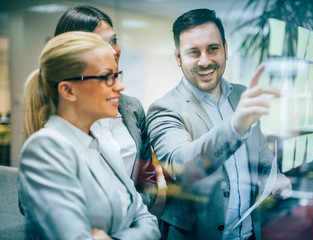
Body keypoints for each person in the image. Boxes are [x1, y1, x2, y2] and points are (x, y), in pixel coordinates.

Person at [146, 8, 292, 240]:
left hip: (249, 233)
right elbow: (182, 166)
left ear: (225, 49)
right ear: (178, 58)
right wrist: (235, 126)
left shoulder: (242, 95)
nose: (205, 61)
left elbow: (261, 155)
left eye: (213, 49)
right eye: (193, 52)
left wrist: (274, 176)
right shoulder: (164, 108)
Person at [18, 31, 160, 239]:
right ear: (68, 91)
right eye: (106, 77)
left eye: (117, 76)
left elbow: (149, 223)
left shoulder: (101, 146)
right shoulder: (44, 149)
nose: (120, 86)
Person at [54, 5, 158, 209]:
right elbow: (33, 202)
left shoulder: (132, 108)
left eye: (114, 40)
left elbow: (148, 181)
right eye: (99, 44)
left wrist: (133, 214)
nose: (113, 51)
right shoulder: (54, 112)